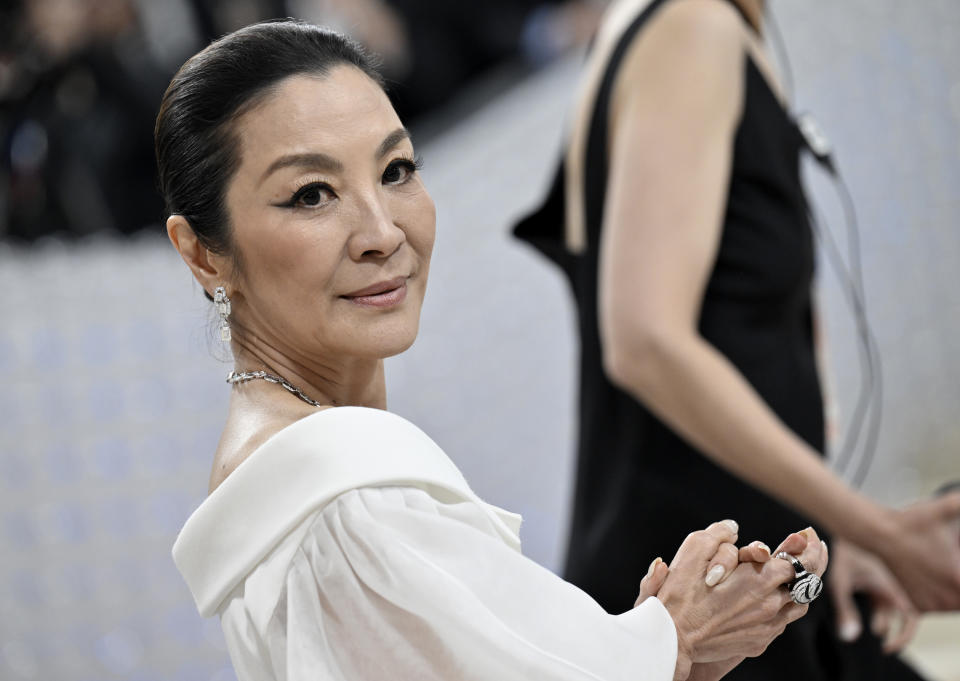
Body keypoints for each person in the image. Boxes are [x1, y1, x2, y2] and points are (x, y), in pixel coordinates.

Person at [159, 20, 827, 681]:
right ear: (201, 253)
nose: (383, 231)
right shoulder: (346, 503)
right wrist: (670, 636)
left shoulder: (296, 475)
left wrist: (657, 647)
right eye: (312, 194)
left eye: (396, 170)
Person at [513, 0, 960, 679]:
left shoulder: (678, 26)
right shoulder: (689, 27)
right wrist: (880, 529)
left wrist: (833, 532)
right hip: (708, 596)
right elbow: (645, 342)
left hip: (768, 577)